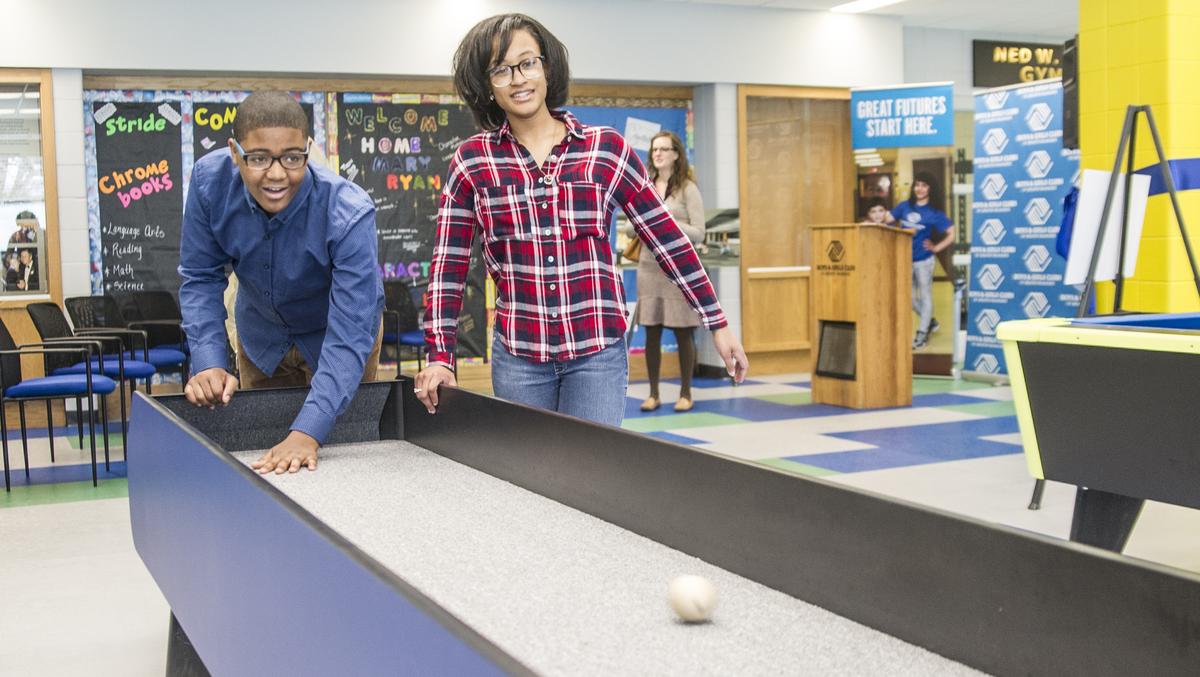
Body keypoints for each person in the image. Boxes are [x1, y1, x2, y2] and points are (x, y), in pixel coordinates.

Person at [414, 14, 748, 426]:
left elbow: (668, 240)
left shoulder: (605, 149)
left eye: (527, 62)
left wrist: (717, 321)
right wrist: (440, 356)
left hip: (597, 358)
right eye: (500, 70)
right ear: (487, 86)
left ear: (546, 66)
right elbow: (448, 266)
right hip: (519, 358)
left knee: (591, 481)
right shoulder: (473, 161)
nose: (518, 79)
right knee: (526, 482)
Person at [179, 90, 384, 474]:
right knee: (265, 459)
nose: (276, 174)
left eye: (292, 158)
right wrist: (208, 361)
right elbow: (200, 277)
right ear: (235, 152)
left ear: (307, 149)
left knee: (337, 454)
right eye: (258, 158)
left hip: (336, 338)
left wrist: (310, 429)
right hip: (262, 338)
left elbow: (350, 330)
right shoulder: (209, 185)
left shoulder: (348, 212)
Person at [630, 131, 706, 413]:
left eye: (664, 149)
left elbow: (699, 232)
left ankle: (686, 392)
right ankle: (653, 393)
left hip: (678, 270)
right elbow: (629, 226)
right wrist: (642, 221)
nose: (657, 154)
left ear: (676, 154)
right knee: (651, 331)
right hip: (649, 268)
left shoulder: (688, 188)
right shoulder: (644, 186)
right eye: (654, 150)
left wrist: (667, 220)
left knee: (684, 332)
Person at [885, 172, 953, 349]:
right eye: (917, 185)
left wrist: (936, 248)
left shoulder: (934, 213)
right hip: (905, 259)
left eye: (924, 185)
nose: (919, 189)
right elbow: (887, 221)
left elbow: (951, 233)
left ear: (930, 188)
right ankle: (929, 320)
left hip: (924, 260)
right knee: (907, 297)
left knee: (925, 295)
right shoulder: (904, 207)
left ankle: (922, 333)